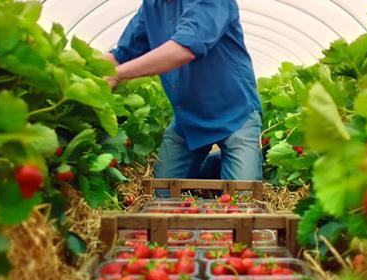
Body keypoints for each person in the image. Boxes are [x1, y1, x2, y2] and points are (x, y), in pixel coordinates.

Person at [105, 0, 262, 190]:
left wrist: (118, 74)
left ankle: (227, 164)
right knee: (162, 193)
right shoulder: (152, 6)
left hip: (235, 113)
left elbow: (184, 49)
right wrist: (85, 72)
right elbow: (121, 54)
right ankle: (217, 167)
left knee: (242, 202)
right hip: (188, 119)